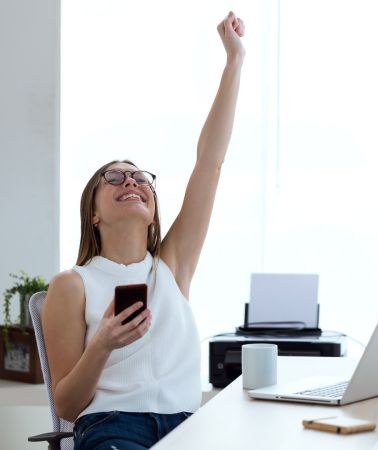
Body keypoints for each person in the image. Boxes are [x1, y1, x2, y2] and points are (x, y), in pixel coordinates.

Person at [42, 11, 245, 450]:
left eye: (139, 177)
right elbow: (68, 407)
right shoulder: (72, 285)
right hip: (113, 427)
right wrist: (102, 345)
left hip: (189, 427)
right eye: (113, 179)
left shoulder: (173, 266)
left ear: (153, 211)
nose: (130, 181)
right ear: (92, 213)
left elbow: (209, 162)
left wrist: (234, 62)